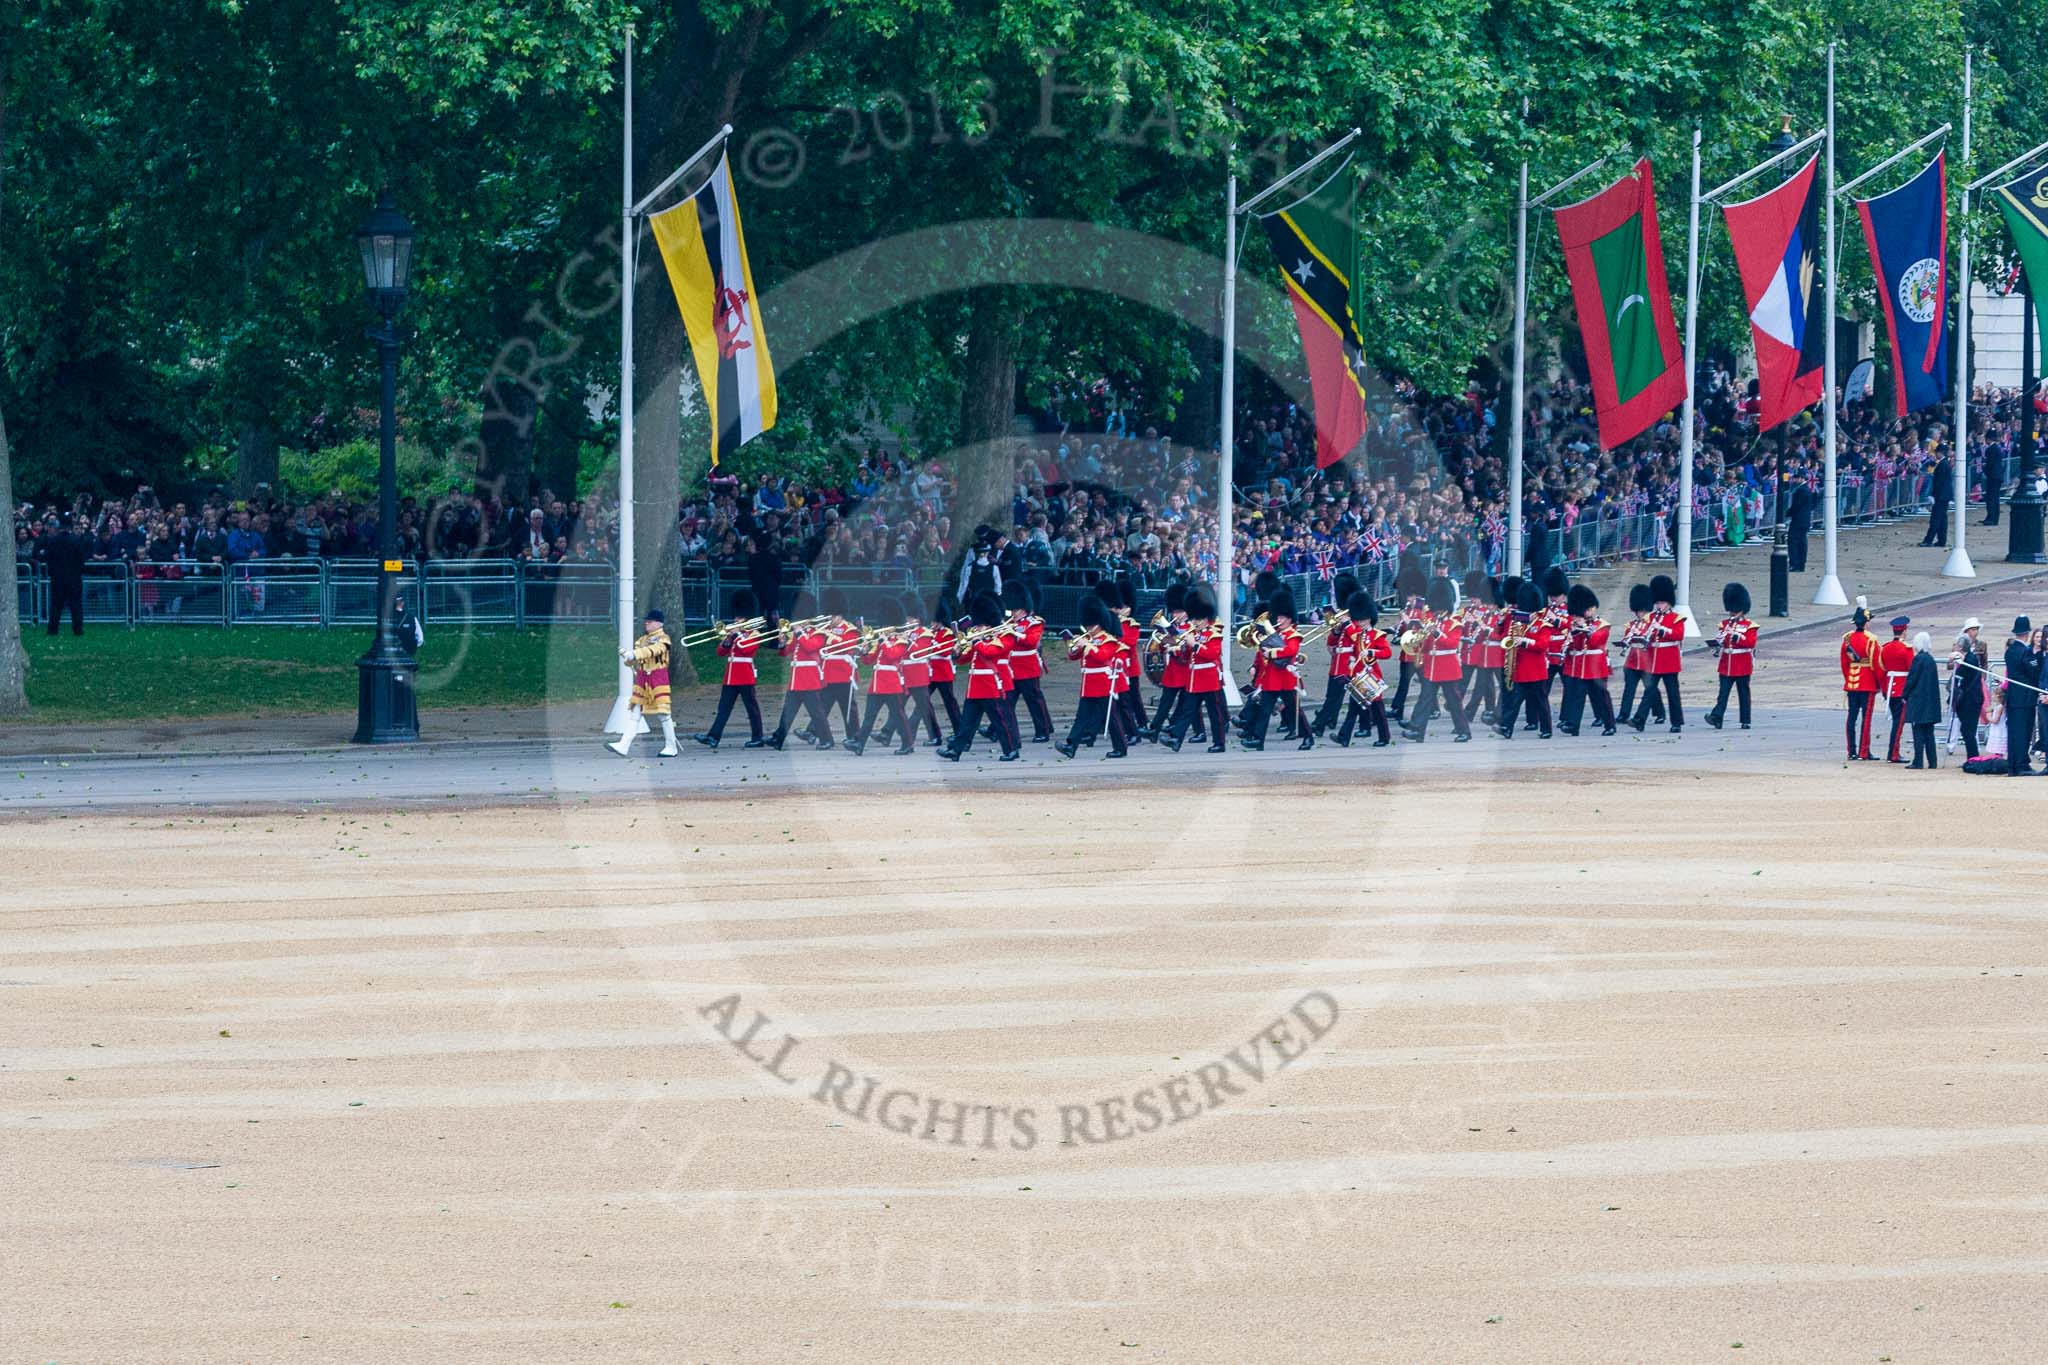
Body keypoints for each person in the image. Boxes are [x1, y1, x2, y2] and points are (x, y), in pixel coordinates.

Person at [939, 593, 1020, 762]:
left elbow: (991, 653)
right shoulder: (980, 637)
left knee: (1000, 721)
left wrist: (977, 641)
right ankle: (955, 750)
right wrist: (957, 652)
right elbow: (966, 659)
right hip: (975, 686)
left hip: (991, 685)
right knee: (967, 722)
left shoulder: (1004, 636)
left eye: (981, 624)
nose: (978, 627)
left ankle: (1011, 749)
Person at [1054, 596, 1129, 760]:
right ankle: (1071, 746)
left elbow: (1103, 656)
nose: (1087, 627)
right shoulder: (1087, 638)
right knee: (1082, 717)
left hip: (1103, 682)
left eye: (1090, 624)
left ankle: (1120, 747)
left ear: (1098, 623)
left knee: (1112, 717)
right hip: (1088, 684)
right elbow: (1074, 656)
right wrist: (1073, 646)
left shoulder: (1108, 640)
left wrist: (1087, 645)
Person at [692, 591, 767, 750]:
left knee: (752, 708)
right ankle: (713, 737)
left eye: (739, 618)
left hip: (745, 676)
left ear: (746, 619)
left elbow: (746, 649)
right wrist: (727, 639)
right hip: (730, 677)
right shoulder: (734, 635)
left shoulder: (754, 634)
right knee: (723, 709)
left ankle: (758, 737)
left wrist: (737, 634)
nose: (735, 620)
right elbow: (720, 652)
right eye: (736, 618)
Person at [1403, 577, 1471, 743]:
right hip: (1431, 667)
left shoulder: (1454, 624)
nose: (1437, 611)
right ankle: (1418, 730)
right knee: (1425, 699)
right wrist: (1419, 640)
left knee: (1454, 702)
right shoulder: (1432, 621)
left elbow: (1451, 644)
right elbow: (1427, 645)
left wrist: (1436, 633)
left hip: (1447, 668)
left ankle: (1464, 731)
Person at [607, 609, 678, 758]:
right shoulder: (641, 640)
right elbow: (634, 662)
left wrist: (633, 654)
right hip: (642, 680)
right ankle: (623, 745)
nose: (647, 623)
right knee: (635, 714)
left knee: (663, 715)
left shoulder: (664, 639)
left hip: (658, 679)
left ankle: (671, 747)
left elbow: (653, 650)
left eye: (650, 621)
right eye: (646, 620)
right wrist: (628, 658)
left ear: (659, 623)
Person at [1240, 589, 1303, 751]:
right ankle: (1258, 741)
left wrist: (1272, 652)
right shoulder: (1276, 635)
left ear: (1289, 619)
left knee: (1295, 711)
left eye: (1282, 617)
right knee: (1264, 710)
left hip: (1286, 679)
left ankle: (1308, 737)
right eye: (1278, 617)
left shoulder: (1293, 635)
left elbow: (1291, 651)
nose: (1279, 620)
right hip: (1273, 677)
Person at [1496, 578, 1556, 739]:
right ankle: (1507, 728)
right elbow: (1505, 637)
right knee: (1515, 701)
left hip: (1536, 671)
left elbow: (1542, 645)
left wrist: (1524, 641)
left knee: (1541, 702)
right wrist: (1502, 625)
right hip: (1521, 669)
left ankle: (1546, 729)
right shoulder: (1518, 622)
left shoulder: (1544, 625)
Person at [1333, 591, 1394, 748]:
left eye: (1361, 619)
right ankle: (1344, 737)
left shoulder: (1378, 635)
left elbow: (1387, 653)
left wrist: (1372, 652)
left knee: (1378, 710)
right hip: (1359, 676)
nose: (1359, 622)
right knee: (1353, 708)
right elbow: (1353, 651)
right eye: (1358, 619)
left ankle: (1384, 737)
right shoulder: (1359, 635)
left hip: (1371, 677)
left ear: (1369, 618)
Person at [1625, 574, 1684, 733]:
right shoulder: (1650, 617)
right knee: (1649, 691)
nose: (1659, 605)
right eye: (1657, 602)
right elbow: (1646, 634)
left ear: (1669, 602)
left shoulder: (1677, 618)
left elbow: (1678, 635)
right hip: (1653, 659)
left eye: (1662, 602)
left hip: (1669, 659)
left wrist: (1663, 629)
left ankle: (1676, 722)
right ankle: (1639, 719)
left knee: (1673, 692)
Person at [845, 624, 914, 757]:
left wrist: (884, 641)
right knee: (869, 716)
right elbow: (869, 660)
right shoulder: (880, 642)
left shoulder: (901, 641)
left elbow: (893, 655)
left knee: (898, 716)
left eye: (889, 626)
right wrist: (865, 651)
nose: (886, 628)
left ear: (894, 627)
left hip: (891, 684)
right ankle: (859, 744)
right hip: (876, 685)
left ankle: (907, 744)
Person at [766, 617, 834, 750]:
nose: (798, 622)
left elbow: (810, 647)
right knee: (787, 712)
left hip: (809, 680)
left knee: (817, 713)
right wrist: (782, 643)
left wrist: (799, 633)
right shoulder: (799, 634)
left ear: (808, 620)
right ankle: (778, 739)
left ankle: (827, 740)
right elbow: (787, 651)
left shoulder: (819, 633)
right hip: (796, 680)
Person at [1557, 583, 1616, 737]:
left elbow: (1596, 642)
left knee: (1601, 697)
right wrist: (1574, 633)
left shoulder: (1602, 625)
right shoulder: (1575, 625)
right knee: (1577, 696)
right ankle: (1573, 725)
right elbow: (1574, 646)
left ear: (1592, 608)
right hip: (1580, 667)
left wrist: (1586, 630)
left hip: (1596, 667)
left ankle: (1610, 724)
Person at [1146, 583, 1201, 742]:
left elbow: (1189, 649)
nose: (1175, 614)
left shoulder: (1192, 628)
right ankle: (1154, 730)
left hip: (1185, 670)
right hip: (1173, 671)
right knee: (1166, 702)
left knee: (1187, 705)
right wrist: (1165, 643)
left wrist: (1175, 648)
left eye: (1179, 611)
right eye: (1174, 611)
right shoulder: (1171, 627)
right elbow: (1163, 646)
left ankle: (1191, 730)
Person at [1000, 583, 1053, 743]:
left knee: (1034, 701)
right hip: (1011, 668)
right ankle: (1000, 729)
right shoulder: (1009, 622)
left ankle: (1043, 730)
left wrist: (1014, 633)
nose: (1013, 613)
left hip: (1028, 666)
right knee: (1007, 701)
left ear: (1023, 608)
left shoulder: (1034, 622)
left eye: (1015, 610)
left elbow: (1032, 641)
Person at [1703, 582, 1758, 731]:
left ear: (1742, 608)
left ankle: (1746, 720)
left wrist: (1738, 637)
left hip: (1742, 663)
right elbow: (1722, 640)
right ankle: (1717, 718)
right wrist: (1717, 642)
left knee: (1743, 694)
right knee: (1723, 694)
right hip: (1726, 663)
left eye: (1735, 609)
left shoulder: (1750, 625)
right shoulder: (1724, 624)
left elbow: (1751, 642)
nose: (1732, 612)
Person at [1840, 603, 1882, 761]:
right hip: (1867, 682)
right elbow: (1876, 664)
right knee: (1866, 718)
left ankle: (1851, 751)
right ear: (1866, 623)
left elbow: (1844, 663)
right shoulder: (1871, 639)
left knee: (1851, 718)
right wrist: (1879, 684)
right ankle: (1864, 751)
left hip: (1852, 682)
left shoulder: (1847, 638)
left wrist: (1848, 678)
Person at [36, 516, 88, 636]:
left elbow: (48, 558)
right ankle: (78, 629)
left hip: (57, 578)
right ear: (70, 526)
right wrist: (77, 572)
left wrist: (53, 571)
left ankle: (52, 629)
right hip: (74, 578)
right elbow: (81, 560)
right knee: (75, 604)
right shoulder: (76, 541)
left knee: (56, 605)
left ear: (59, 526)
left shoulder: (53, 541)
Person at [1876, 616, 1916, 764]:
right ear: (1904, 631)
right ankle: (1893, 753)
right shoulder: (1906, 649)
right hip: (1901, 688)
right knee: (1898, 723)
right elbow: (1911, 669)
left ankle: (1893, 751)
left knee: (1896, 722)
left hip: (1889, 687)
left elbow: (1883, 669)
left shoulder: (1885, 648)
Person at [1947, 618, 1987, 759]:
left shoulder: (1969, 659)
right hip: (1967, 700)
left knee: (1968, 731)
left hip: (1971, 700)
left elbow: (1966, 670)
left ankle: (1973, 757)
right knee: (1967, 730)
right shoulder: (1966, 657)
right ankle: (1972, 757)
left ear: (1960, 647)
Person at [1903, 631, 1942, 768]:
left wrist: (1904, 694)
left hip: (1919, 702)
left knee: (1918, 733)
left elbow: (1911, 679)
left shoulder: (1918, 659)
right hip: (1930, 702)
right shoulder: (1930, 659)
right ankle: (1932, 761)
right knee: (1929, 734)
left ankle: (1918, 761)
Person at [2004, 616, 2037, 775]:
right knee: (2023, 731)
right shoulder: (2025, 652)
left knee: (2015, 732)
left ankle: (2014, 764)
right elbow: (2032, 671)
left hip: (2014, 696)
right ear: (2027, 633)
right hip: (2024, 697)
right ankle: (2021, 764)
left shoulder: (2010, 651)